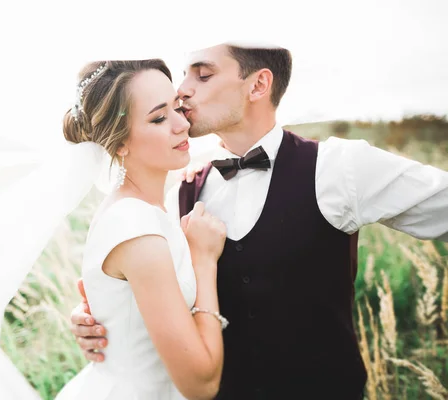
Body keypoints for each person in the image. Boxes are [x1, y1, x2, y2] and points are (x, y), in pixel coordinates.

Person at [70, 43, 448, 399]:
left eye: (202, 75)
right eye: (184, 74)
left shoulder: (339, 168)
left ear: (258, 85)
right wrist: (104, 322)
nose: (183, 90)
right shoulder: (178, 194)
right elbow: (147, 293)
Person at [56, 59, 228, 400]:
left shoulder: (151, 207)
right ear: (120, 143)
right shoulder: (135, 227)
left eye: (178, 108)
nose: (182, 124)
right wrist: (205, 261)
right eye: (159, 117)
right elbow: (201, 385)